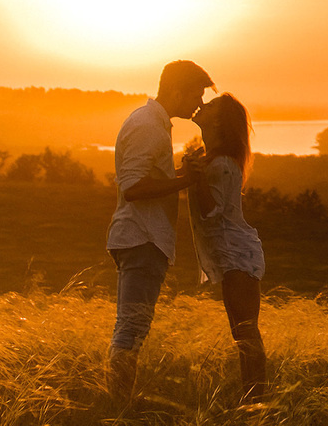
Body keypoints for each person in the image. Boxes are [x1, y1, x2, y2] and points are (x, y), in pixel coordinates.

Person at [103, 59, 212, 399]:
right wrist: (185, 179)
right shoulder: (149, 125)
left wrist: (179, 172)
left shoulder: (153, 122)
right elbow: (133, 188)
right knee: (131, 329)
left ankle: (117, 403)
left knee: (132, 328)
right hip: (142, 238)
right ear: (177, 90)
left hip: (142, 238)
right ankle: (117, 405)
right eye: (197, 94)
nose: (200, 103)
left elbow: (143, 179)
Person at [186, 92, 269, 402]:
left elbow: (210, 211)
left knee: (246, 332)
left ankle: (256, 402)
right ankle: (252, 398)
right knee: (242, 333)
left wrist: (195, 178)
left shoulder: (220, 164)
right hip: (232, 253)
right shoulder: (211, 158)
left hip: (237, 254)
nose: (201, 105)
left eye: (209, 106)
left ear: (218, 121)